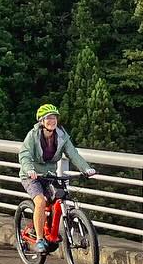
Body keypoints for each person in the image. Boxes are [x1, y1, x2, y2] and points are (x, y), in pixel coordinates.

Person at [19, 104, 96, 254]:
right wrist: (29, 169)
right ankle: (40, 239)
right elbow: (24, 154)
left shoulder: (61, 136)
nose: (52, 121)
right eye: (48, 118)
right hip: (32, 175)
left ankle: (52, 232)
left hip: (49, 175)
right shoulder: (33, 135)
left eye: (54, 117)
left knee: (59, 199)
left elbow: (73, 154)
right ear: (41, 121)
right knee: (40, 201)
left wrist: (85, 168)